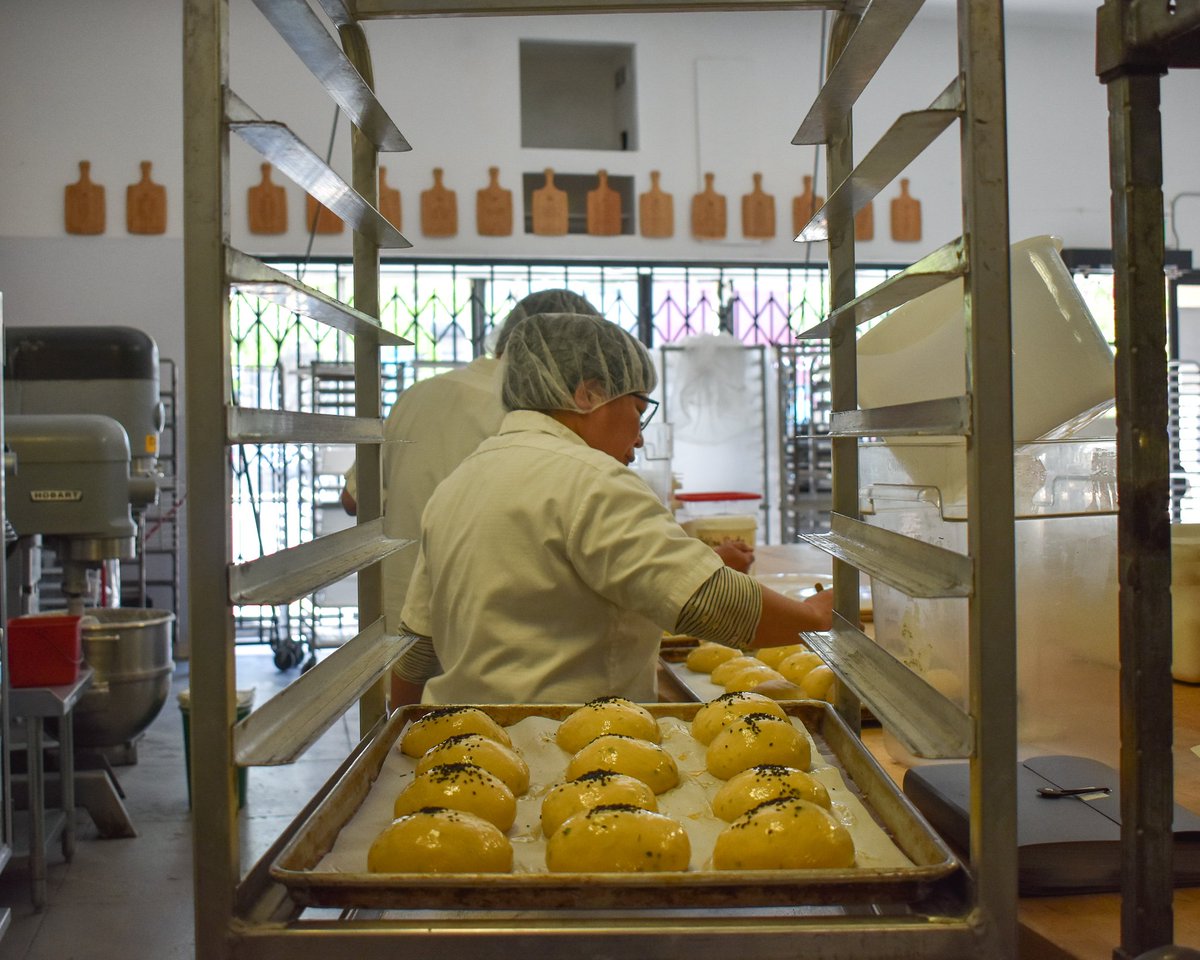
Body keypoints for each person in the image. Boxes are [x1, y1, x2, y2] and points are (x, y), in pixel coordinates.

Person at [396, 311, 834, 705]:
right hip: (567, 745)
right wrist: (817, 615)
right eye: (638, 409)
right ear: (588, 395)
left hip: (462, 737)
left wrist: (394, 743)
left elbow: (416, 646)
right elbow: (711, 603)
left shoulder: (463, 478)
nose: (640, 437)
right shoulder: (592, 479)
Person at [340, 289, 602, 695]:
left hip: (400, 636)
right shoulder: (538, 410)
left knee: (408, 744)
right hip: (497, 647)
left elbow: (354, 500)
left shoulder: (418, 394)